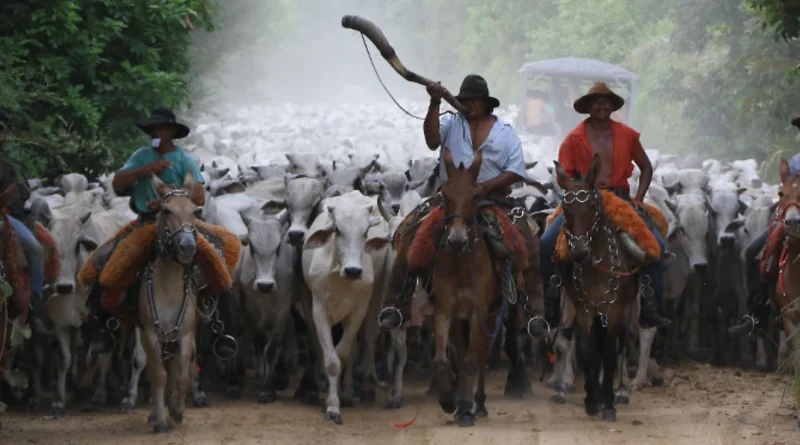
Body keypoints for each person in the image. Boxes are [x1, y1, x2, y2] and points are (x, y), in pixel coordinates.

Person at [379, 74, 550, 336]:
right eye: (465, 100)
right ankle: (396, 304)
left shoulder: (505, 132)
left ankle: (533, 311)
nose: (469, 104)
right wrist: (434, 103)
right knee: (409, 233)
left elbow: (516, 171)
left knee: (527, 243)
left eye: (475, 100)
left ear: (485, 103)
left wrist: (483, 187)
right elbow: (432, 140)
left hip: (493, 199)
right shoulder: (450, 123)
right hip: (450, 201)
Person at [539, 83, 671, 328]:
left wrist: (639, 198)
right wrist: (579, 188)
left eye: (605, 101)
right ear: (588, 107)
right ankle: (551, 301)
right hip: (583, 199)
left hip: (620, 199)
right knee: (547, 243)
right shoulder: (573, 138)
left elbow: (646, 168)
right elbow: (564, 177)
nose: (601, 106)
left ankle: (650, 305)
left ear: (612, 106)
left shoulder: (628, 135)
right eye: (596, 102)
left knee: (657, 247)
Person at [88, 107, 206, 352]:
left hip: (181, 222)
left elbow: (200, 196)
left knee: (219, 259)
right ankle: (104, 325)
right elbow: (119, 181)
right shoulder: (142, 156)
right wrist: (148, 169)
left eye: (162, 127)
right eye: (154, 128)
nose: (157, 131)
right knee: (104, 259)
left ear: (172, 131)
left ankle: (220, 326)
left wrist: (171, 201)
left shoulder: (185, 159)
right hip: (146, 223)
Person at [738, 115, 800, 333]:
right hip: (793, 217)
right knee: (753, 252)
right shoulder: (795, 163)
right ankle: (757, 313)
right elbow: (788, 191)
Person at [0, 109, 46, 317]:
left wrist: (13, 192)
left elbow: (23, 192)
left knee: (35, 248)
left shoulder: (14, 161)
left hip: (5, 214)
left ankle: (36, 299)